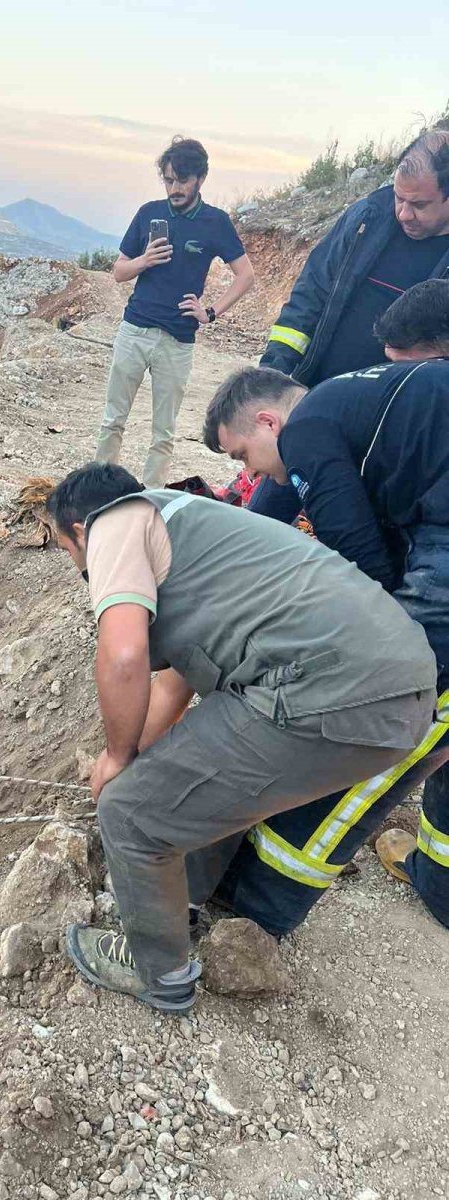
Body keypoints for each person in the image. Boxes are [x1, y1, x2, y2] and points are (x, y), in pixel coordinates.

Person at [46, 463, 436, 1012]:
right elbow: (172, 691)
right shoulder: (198, 536)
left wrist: (116, 764)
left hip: (327, 690)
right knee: (185, 775)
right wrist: (134, 758)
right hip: (402, 691)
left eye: (68, 552)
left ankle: (160, 973)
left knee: (131, 814)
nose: (78, 566)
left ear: (79, 530)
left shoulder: (114, 521)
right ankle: (177, 902)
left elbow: (124, 654)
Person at [201, 305, 449, 933]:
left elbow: (366, 566)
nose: (251, 474)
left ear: (268, 420)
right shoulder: (361, 402)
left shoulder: (307, 428)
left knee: (383, 719)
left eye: (245, 455)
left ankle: (255, 907)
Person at [252, 128, 449, 521]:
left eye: (419, 204)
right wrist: (272, 375)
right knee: (261, 521)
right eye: (399, 197)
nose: (403, 213)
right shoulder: (367, 219)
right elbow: (308, 297)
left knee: (355, 547)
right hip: (315, 410)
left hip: (392, 437)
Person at [96, 136, 255, 487]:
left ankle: (152, 501)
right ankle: (99, 491)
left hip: (178, 341)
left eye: (181, 180)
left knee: (163, 432)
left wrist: (211, 311)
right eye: (168, 180)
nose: (174, 188)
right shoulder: (149, 213)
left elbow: (246, 276)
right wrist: (144, 260)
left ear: (200, 178)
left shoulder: (215, 222)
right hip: (134, 330)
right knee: (113, 420)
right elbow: (119, 272)